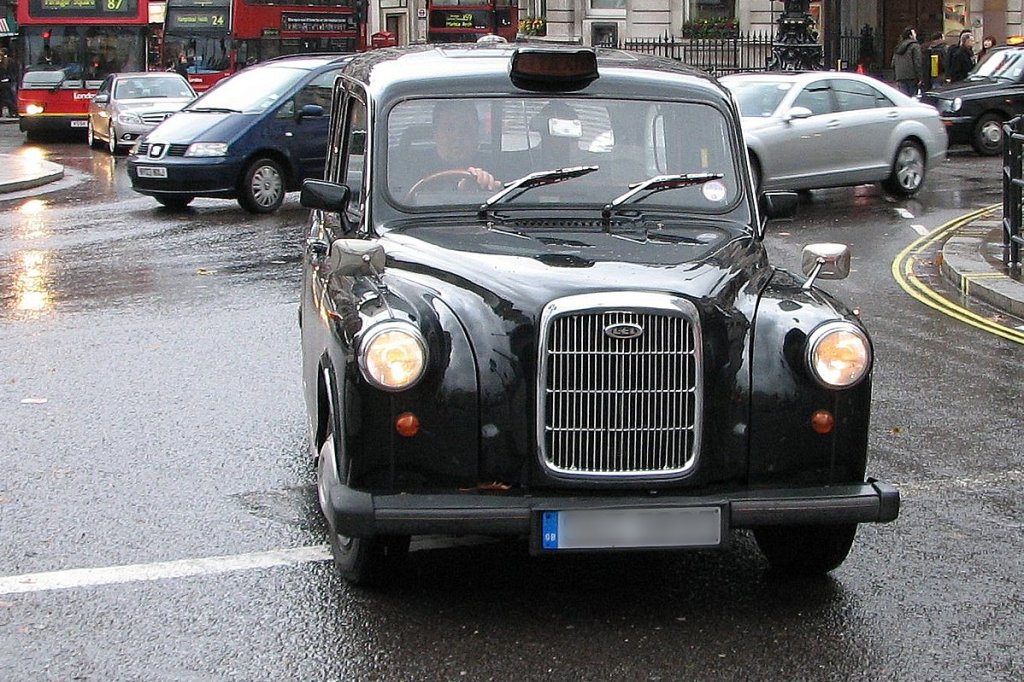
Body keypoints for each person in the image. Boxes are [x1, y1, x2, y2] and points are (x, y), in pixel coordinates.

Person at [421, 101, 501, 192]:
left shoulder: (495, 167)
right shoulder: (414, 167)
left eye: (466, 128)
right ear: (435, 134)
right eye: (449, 128)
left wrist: (489, 187)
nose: (457, 137)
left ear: (476, 134)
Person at [891, 27, 924, 97]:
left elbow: (893, 64)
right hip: (912, 77)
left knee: (903, 98)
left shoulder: (898, 47)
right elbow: (917, 62)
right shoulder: (915, 46)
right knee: (912, 99)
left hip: (900, 77)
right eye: (914, 33)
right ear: (910, 36)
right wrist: (920, 77)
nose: (915, 35)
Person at [0, 48, 16, 119]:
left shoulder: (5, 63)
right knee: (9, 97)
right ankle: (13, 112)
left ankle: (13, 111)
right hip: (9, 81)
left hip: (5, 82)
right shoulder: (10, 61)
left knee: (7, 98)